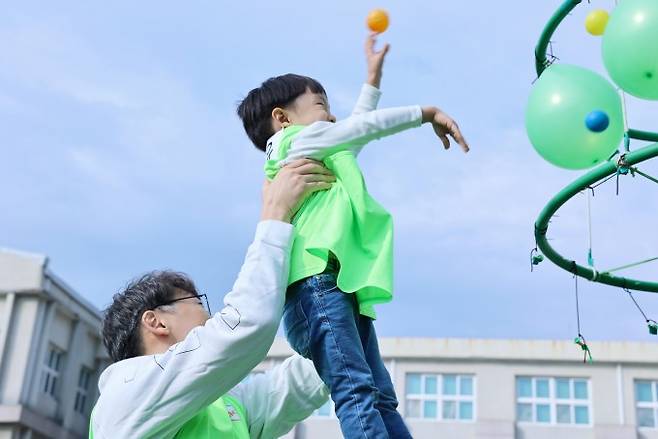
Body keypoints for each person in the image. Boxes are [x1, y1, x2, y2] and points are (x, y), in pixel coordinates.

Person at [236, 34, 470, 438]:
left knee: (379, 395)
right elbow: (362, 128)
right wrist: (425, 112)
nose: (331, 118)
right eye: (322, 106)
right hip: (316, 288)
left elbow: (355, 130)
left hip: (334, 287)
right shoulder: (296, 141)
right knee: (358, 391)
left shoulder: (308, 146)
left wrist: (372, 80)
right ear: (283, 118)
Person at [90, 159, 336, 438]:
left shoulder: (224, 405)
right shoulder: (129, 389)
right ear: (155, 321)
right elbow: (244, 327)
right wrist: (275, 213)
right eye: (197, 303)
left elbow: (297, 383)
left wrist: (343, 294)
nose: (210, 316)